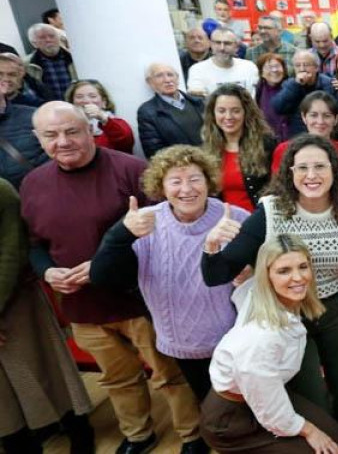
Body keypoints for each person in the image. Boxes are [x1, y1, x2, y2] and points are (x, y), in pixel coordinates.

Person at [21, 102, 203, 454]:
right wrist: (47, 270)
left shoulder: (132, 170)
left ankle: (192, 434)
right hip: (82, 305)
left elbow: (170, 233)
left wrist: (103, 263)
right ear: (37, 139)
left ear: (89, 128)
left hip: (141, 299)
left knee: (169, 373)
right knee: (117, 379)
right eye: (51, 135)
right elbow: (34, 244)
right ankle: (138, 434)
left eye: (71, 131)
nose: (63, 141)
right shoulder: (31, 184)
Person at [202, 135, 338, 452]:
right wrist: (211, 246)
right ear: (289, 173)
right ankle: (322, 442)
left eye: (320, 166)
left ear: (335, 170)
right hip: (290, 314)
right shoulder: (271, 212)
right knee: (312, 395)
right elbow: (217, 275)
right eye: (302, 167)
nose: (312, 175)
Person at [91, 145, 252, 402]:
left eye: (194, 179)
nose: (186, 189)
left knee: (243, 403)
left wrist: (249, 273)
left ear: (208, 181)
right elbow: (102, 277)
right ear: (162, 187)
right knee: (208, 405)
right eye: (176, 181)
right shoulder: (144, 221)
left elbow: (264, 273)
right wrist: (120, 234)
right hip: (179, 338)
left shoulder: (236, 217)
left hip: (234, 338)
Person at [198, 234, 338, 454]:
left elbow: (244, 289)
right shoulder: (262, 337)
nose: (298, 278)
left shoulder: (264, 296)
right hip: (231, 420)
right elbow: (271, 411)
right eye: (284, 271)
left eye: (302, 266)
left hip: (263, 395)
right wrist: (309, 431)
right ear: (267, 276)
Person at [0, 178, 94, 454]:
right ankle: (19, 440)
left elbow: (11, 254)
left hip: (15, 298)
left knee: (44, 369)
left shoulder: (2, 191)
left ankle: (77, 428)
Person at [202, 84, 276, 211]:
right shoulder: (208, 149)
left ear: (246, 112)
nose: (228, 116)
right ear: (213, 114)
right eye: (221, 111)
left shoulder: (266, 144)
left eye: (235, 111)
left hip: (258, 221)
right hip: (223, 223)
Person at [271, 91, 338, 173]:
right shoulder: (284, 150)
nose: (320, 121)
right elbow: (278, 183)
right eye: (313, 115)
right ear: (304, 117)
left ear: (336, 119)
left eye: (327, 115)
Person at [138, 63, 206, 159]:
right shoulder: (147, 112)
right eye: (159, 76)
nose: (167, 80)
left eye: (170, 75)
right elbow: (154, 153)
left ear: (177, 78)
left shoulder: (197, 101)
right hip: (183, 167)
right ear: (150, 82)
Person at [271, 50, 338, 138]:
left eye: (306, 65)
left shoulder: (330, 84)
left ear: (316, 68)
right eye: (298, 65)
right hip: (298, 136)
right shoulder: (290, 84)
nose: (302, 69)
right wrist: (296, 85)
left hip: (325, 135)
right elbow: (278, 107)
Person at [65, 79, 134, 153]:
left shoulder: (117, 123)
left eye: (92, 96)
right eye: (79, 97)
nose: (86, 100)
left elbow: (126, 142)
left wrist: (103, 118)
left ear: (104, 102)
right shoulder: (66, 127)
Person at [187, 27, 259, 97]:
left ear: (236, 47)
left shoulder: (249, 67)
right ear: (210, 45)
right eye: (217, 43)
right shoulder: (197, 70)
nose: (222, 48)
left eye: (227, 43)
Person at [25, 23, 75, 100]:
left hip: (74, 105)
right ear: (34, 43)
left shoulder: (74, 57)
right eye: (42, 37)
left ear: (59, 38)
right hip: (47, 108)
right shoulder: (27, 64)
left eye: (52, 36)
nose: (48, 40)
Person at [255, 53, 291, 139]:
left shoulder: (291, 87)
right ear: (261, 72)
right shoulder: (259, 89)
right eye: (269, 67)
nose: (274, 70)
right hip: (268, 140)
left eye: (277, 66)